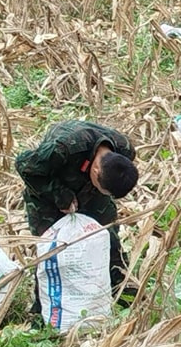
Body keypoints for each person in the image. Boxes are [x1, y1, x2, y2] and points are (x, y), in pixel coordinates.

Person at [15, 120, 139, 306]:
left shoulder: (124, 149)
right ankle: (43, 308)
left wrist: (96, 193)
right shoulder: (62, 149)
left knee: (108, 235)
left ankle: (123, 290)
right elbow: (24, 165)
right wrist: (59, 195)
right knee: (51, 248)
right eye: (106, 190)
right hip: (47, 187)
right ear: (95, 170)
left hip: (89, 190)